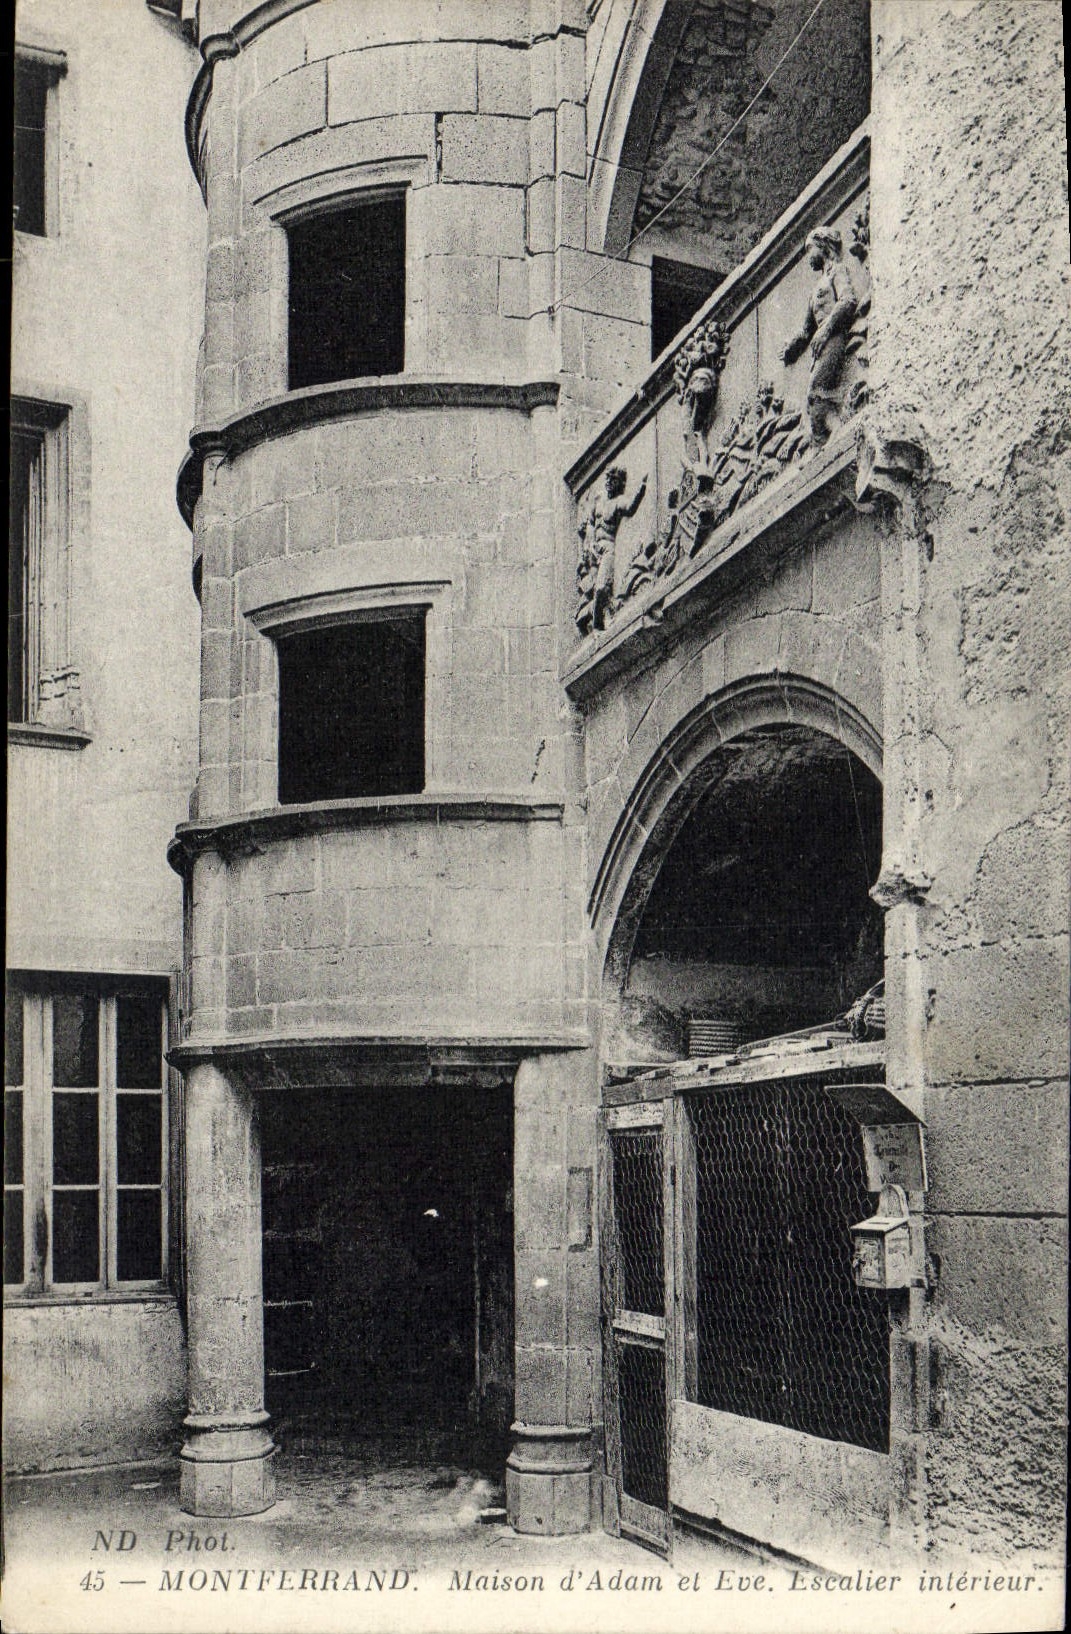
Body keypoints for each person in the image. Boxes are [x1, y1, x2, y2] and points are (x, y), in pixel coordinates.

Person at [782, 226, 859, 444]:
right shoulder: (815, 289)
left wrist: (825, 329)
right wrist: (792, 346)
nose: (808, 256)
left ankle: (839, 432)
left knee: (816, 391)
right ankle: (834, 434)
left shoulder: (837, 271)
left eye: (810, 250)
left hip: (833, 337)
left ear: (823, 247)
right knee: (812, 399)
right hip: (819, 344)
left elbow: (848, 300)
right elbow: (806, 329)